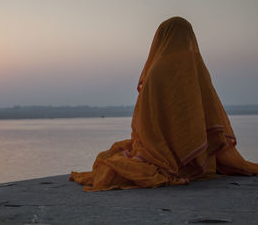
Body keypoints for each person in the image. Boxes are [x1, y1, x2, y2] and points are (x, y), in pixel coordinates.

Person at [70, 16, 258, 191]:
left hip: (162, 150)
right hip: (198, 158)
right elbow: (211, 115)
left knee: (111, 160)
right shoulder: (197, 68)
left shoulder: (157, 71)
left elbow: (147, 120)